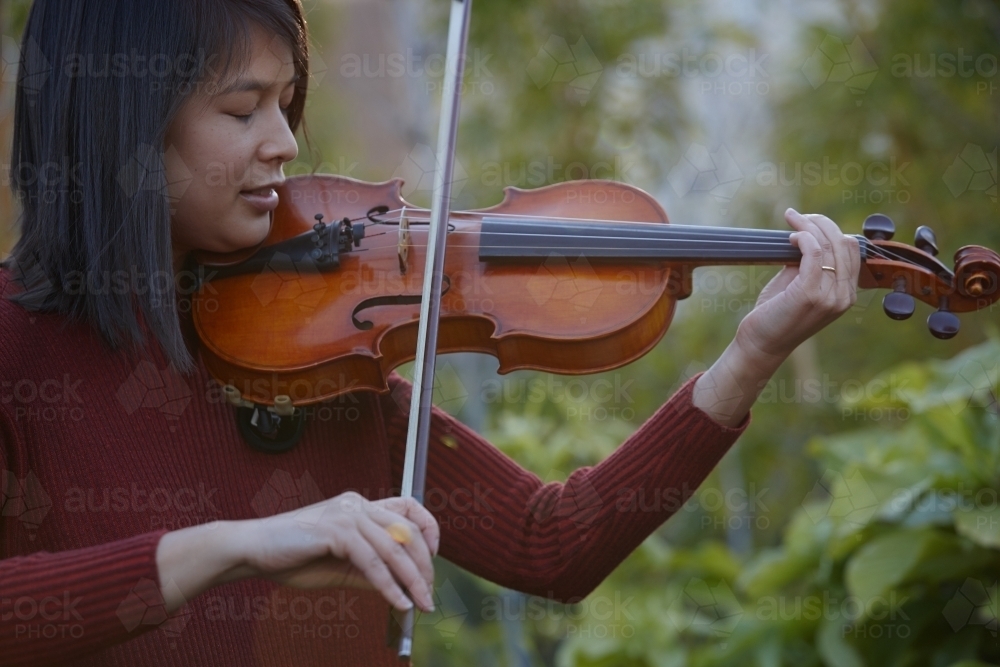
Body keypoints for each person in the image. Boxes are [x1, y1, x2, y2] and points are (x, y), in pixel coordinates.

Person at [0, 1, 860, 665]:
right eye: (242, 110)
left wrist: (752, 354)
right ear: (122, 124)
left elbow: (551, 541)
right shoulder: (18, 351)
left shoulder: (314, 348)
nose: (285, 141)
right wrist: (230, 547)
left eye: (288, 104)